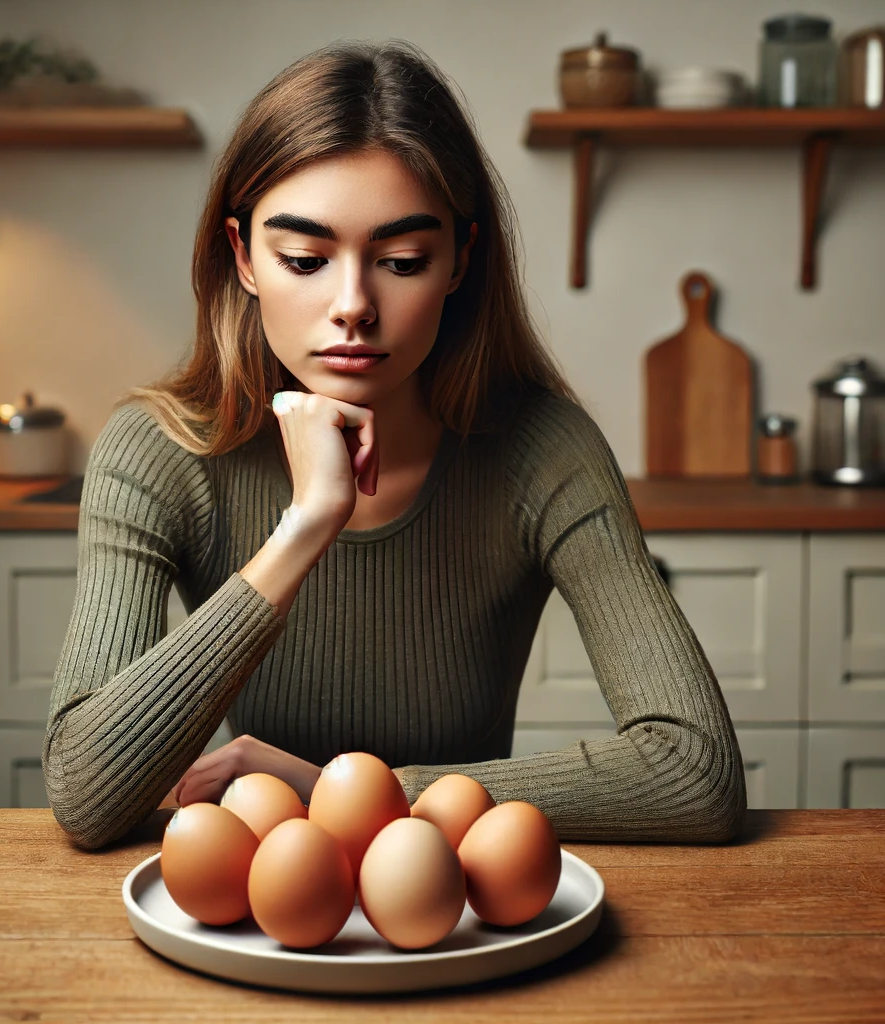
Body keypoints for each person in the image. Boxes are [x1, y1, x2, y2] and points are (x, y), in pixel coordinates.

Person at [43, 39, 747, 851]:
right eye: (304, 259)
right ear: (242, 257)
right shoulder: (160, 451)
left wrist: (364, 796)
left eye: (403, 260)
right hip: (259, 925)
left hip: (467, 920)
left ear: (458, 260)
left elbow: (695, 773)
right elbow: (86, 794)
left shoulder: (544, 448)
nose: (353, 305)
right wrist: (302, 529)